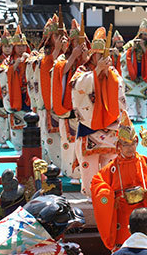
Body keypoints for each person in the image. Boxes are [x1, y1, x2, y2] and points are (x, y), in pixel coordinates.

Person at [91, 112, 147, 251]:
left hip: (144, 210)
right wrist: (111, 197)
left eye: (133, 143)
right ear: (119, 145)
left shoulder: (146, 163)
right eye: (126, 144)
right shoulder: (111, 168)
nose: (130, 148)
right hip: (122, 214)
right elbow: (97, 183)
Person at [70, 26, 125, 197]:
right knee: (90, 168)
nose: (103, 58)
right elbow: (76, 88)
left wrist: (106, 74)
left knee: (110, 166)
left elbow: (120, 93)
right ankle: (91, 195)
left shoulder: (113, 73)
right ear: (92, 54)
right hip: (89, 127)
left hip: (110, 128)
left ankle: (110, 194)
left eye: (105, 55)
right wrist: (96, 72)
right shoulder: (82, 71)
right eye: (99, 55)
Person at [26, 15, 63, 167]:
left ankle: (66, 166)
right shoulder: (39, 55)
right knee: (49, 136)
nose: (59, 38)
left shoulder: (67, 52)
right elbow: (41, 70)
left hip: (64, 101)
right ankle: (52, 164)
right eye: (55, 35)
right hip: (46, 102)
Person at [52, 18, 85, 183]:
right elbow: (60, 71)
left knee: (82, 142)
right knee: (69, 141)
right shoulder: (62, 59)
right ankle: (70, 171)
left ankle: (80, 172)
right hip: (67, 106)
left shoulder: (87, 59)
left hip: (83, 107)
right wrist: (74, 55)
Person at [122, 19, 147, 122]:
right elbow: (123, 55)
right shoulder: (131, 43)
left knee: (142, 98)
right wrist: (133, 49)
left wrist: (144, 48)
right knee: (130, 97)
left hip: (144, 73)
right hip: (131, 73)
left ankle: (141, 115)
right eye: (142, 34)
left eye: (146, 34)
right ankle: (131, 114)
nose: (144, 36)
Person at [6, 27, 31, 151]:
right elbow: (3, 74)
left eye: (23, 46)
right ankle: (18, 147)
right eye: (18, 46)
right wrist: (15, 65)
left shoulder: (31, 58)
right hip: (16, 95)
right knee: (17, 123)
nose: (21, 48)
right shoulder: (8, 61)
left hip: (28, 96)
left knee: (31, 122)